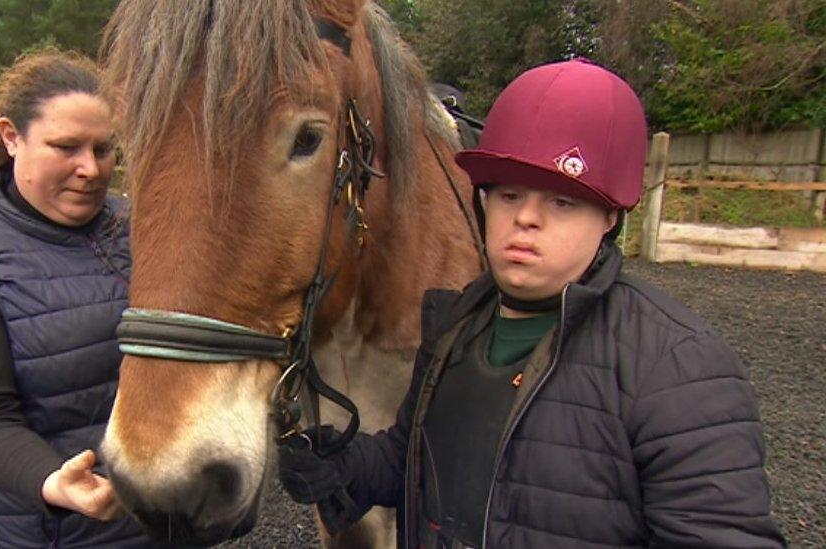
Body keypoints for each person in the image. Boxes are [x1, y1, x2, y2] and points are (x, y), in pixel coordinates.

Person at [278, 59, 786, 548]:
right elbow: (411, 461)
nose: (526, 220)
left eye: (561, 201)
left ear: (611, 216)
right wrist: (340, 466)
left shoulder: (679, 367)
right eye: (509, 195)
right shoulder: (458, 328)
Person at [0, 50, 162, 548]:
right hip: (61, 532)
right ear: (11, 137)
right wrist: (51, 481)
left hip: (167, 522)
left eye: (104, 148)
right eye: (66, 147)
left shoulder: (143, 229)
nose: (91, 169)